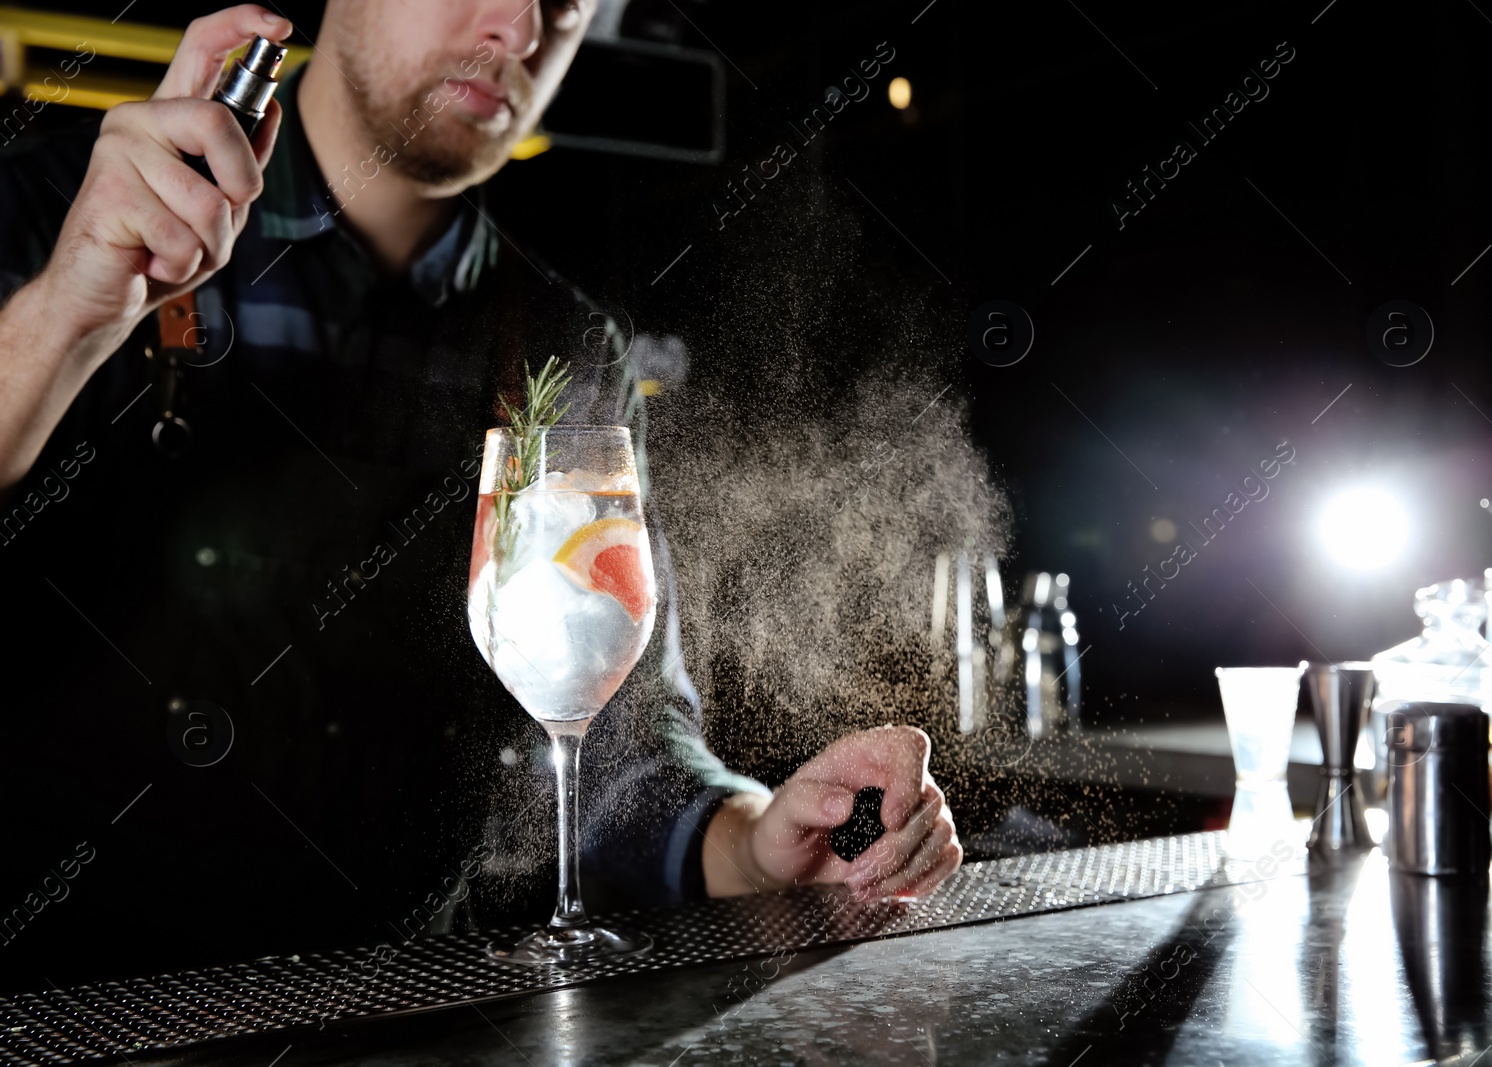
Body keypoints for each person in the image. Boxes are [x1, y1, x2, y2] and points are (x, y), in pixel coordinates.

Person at [0, 0, 959, 975]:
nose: (520, 28)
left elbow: (617, 751)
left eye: (568, 5)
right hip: (71, 1007)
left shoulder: (564, 340)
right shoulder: (53, 217)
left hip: (415, 1006)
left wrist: (758, 839)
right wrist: (63, 312)